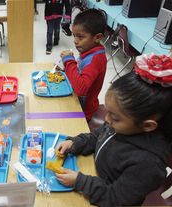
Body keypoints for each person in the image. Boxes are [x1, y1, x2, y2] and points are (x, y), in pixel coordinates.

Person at [55, 54, 172, 206]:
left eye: (115, 117)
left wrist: (81, 181)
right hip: (97, 175)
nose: (106, 119)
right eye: (109, 111)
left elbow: (115, 199)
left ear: (147, 125)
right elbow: (98, 136)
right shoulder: (124, 127)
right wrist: (75, 143)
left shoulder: (148, 164)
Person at [60, 8, 107, 121]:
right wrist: (66, 69)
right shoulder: (89, 52)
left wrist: (69, 61)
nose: (75, 41)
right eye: (74, 36)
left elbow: (81, 89)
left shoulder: (95, 59)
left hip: (83, 111)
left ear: (97, 37)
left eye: (80, 37)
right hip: (77, 102)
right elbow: (81, 71)